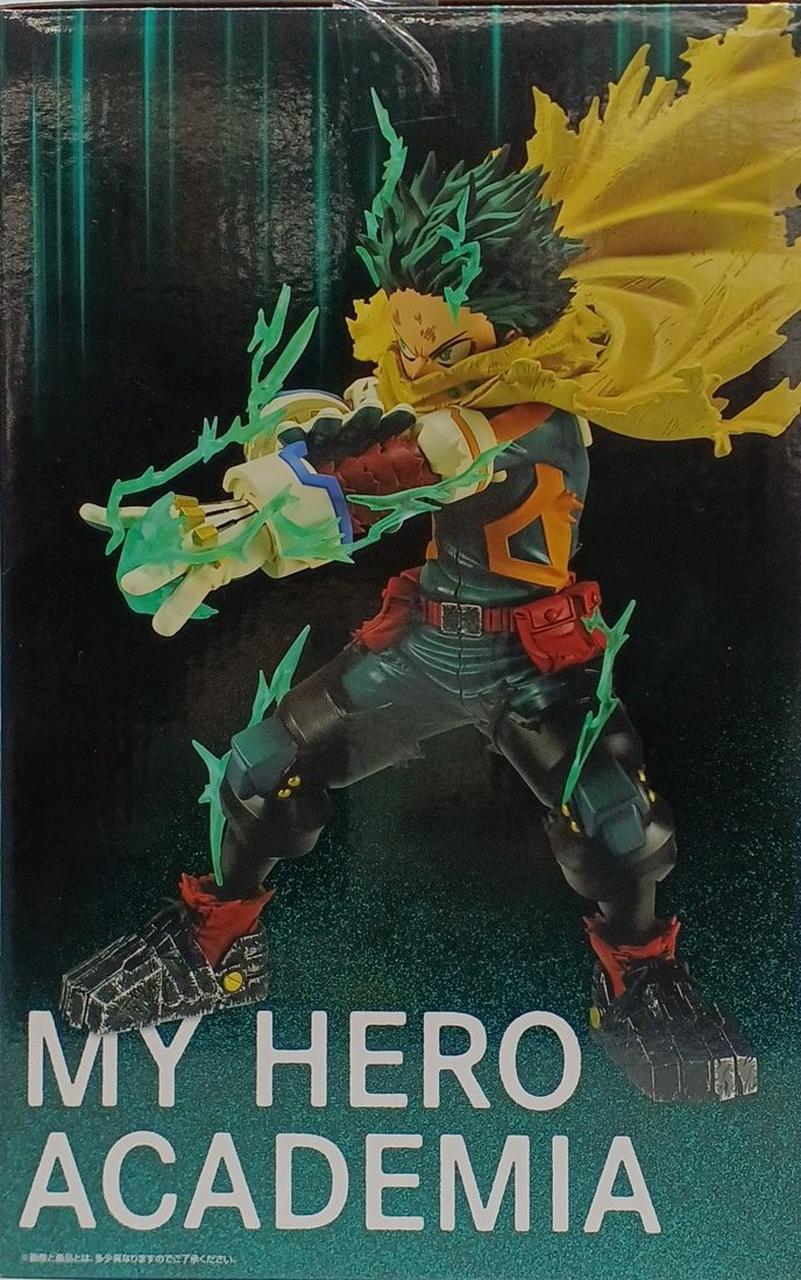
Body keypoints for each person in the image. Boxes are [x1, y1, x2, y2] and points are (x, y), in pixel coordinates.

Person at [62, 7, 801, 1103]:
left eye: (438, 334)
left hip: (529, 664)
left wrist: (255, 518)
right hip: (422, 645)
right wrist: (254, 494)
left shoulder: (532, 417)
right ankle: (212, 950)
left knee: (619, 828)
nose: (414, 352)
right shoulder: (430, 392)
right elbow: (350, 439)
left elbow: (415, 466)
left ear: (505, 318)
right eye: (405, 329)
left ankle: (642, 986)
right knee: (262, 767)